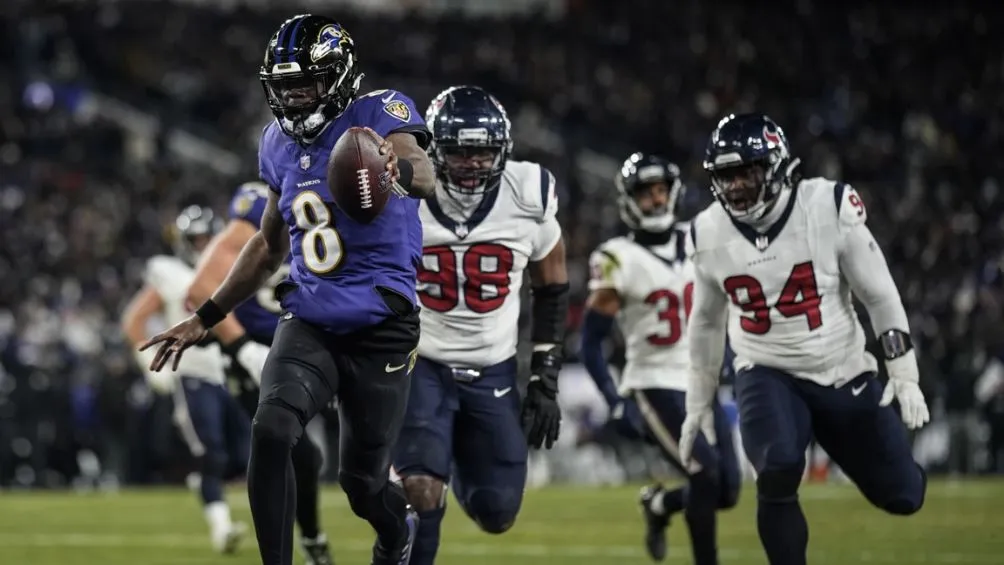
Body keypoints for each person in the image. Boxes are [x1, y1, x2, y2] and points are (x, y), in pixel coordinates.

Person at [139, 14, 436, 565]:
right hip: (311, 318)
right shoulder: (276, 143)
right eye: (285, 86)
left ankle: (396, 535)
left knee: (362, 485)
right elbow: (268, 246)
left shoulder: (380, 111)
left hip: (382, 324)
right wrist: (206, 316)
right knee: (272, 427)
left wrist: (398, 167)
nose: (294, 97)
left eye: (306, 84)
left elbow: (424, 171)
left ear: (338, 77)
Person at [681, 113, 930, 565]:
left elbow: (879, 295)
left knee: (904, 495)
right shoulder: (708, 231)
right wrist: (698, 401)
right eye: (726, 176)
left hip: (841, 367)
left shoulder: (826, 207)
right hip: (766, 368)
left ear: (776, 166)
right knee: (777, 468)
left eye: (746, 172)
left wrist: (904, 372)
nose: (735, 186)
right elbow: (706, 323)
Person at [393, 85, 567, 565]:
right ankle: (422, 473)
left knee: (497, 511)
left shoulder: (529, 194)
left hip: (492, 369)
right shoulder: (404, 193)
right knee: (422, 489)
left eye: (483, 152)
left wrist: (545, 375)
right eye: (459, 151)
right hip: (421, 362)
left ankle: (445, 458)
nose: (471, 163)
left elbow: (552, 286)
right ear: (434, 150)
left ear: (503, 151)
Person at [581, 153, 740, 564]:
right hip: (654, 383)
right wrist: (615, 400)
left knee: (727, 490)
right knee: (705, 474)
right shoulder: (617, 257)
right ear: (628, 200)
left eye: (660, 190)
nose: (655, 200)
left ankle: (659, 505)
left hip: (702, 380)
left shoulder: (700, 238)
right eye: (645, 193)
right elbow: (591, 341)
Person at [186, 180, 333, 565]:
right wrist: (242, 347)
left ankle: (315, 536)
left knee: (332, 454)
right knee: (293, 450)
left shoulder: (333, 202)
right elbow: (199, 289)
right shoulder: (255, 210)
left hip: (306, 343)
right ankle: (308, 541)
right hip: (256, 352)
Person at [121, 205, 250, 554]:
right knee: (212, 452)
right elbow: (134, 321)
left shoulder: (231, 267)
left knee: (246, 455)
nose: (203, 245)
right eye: (196, 239)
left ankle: (204, 484)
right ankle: (222, 527)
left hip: (230, 370)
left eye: (208, 238)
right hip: (191, 372)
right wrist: (148, 363)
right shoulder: (170, 272)